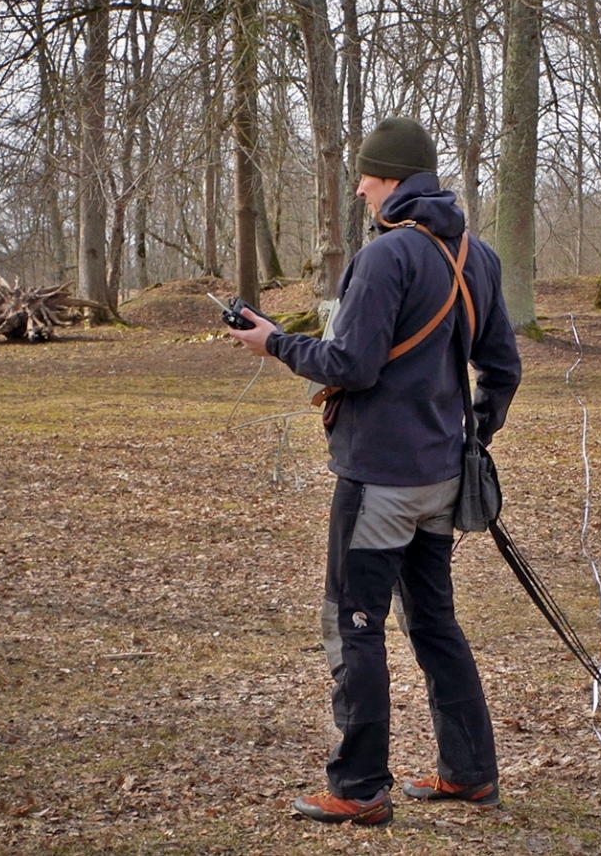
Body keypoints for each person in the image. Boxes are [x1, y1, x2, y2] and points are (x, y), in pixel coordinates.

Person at [227, 116, 521, 826]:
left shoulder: (387, 257)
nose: (358, 188)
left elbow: (350, 365)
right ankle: (470, 773)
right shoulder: (476, 255)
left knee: (353, 627)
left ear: (391, 180)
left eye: (367, 176)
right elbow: (503, 368)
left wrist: (274, 343)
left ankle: (358, 789)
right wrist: (469, 436)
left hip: (380, 483)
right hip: (442, 478)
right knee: (435, 624)